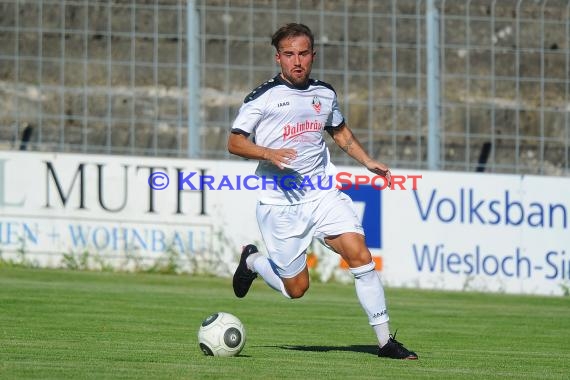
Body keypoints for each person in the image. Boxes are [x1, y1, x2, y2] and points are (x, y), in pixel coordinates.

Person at [227, 22, 418, 360]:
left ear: (313, 56)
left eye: (302, 53)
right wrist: (268, 153)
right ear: (278, 59)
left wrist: (367, 161)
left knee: (360, 255)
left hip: (321, 193)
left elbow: (340, 133)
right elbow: (235, 142)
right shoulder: (263, 97)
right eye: (289, 54)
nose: (296, 61)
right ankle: (253, 261)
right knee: (296, 290)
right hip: (280, 203)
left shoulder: (325, 94)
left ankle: (386, 342)